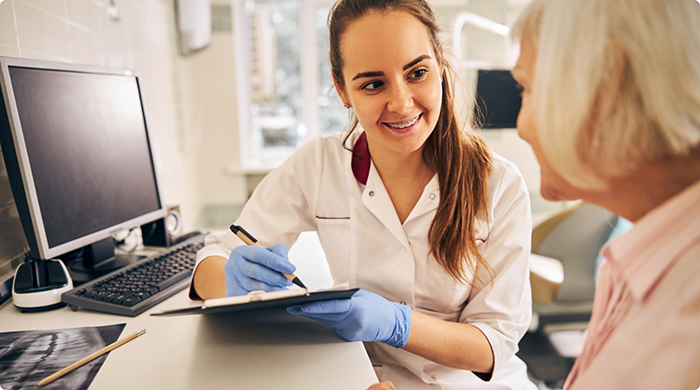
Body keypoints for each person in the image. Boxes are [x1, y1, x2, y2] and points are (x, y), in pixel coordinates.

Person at [191, 0, 537, 388]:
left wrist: (397, 324)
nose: (402, 103)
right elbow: (211, 260)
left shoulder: (499, 185)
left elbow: (494, 344)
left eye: (417, 72)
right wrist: (236, 283)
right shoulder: (320, 164)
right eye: (373, 84)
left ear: (440, 64)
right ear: (342, 89)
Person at [510, 0, 700, 388]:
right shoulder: (638, 264)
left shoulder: (688, 326)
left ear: (602, 86)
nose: (521, 127)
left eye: (525, 88)